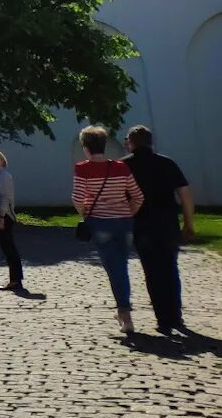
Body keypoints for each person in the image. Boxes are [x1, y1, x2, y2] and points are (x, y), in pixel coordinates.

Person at [123, 124, 196, 336]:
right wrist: (189, 223)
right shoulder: (166, 163)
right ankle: (175, 316)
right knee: (170, 269)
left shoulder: (123, 166)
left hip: (141, 224)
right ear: (151, 142)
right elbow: (185, 195)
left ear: (130, 143)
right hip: (167, 223)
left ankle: (162, 318)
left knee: (152, 271)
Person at [72, 125, 145, 336]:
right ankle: (123, 310)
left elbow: (77, 197)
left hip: (101, 223)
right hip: (124, 223)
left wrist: (85, 213)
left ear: (86, 147)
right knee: (120, 266)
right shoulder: (120, 167)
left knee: (115, 269)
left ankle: (125, 314)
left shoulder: (82, 168)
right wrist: (128, 212)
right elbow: (138, 196)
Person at [0, 149, 24, 292]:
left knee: (9, 248)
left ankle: (15, 280)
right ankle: (14, 279)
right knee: (7, 248)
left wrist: (1, 217)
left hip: (4, 216)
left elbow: (6, 197)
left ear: (2, 160)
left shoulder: (4, 176)